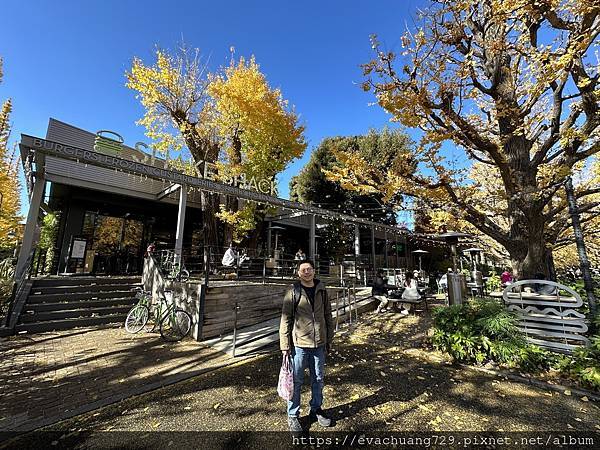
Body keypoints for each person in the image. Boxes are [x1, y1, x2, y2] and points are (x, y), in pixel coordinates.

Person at [280, 259, 334, 434]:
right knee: (296, 381)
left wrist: (329, 338)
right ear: (298, 273)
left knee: (318, 379)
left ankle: (316, 409)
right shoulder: (293, 291)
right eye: (303, 270)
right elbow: (286, 318)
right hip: (299, 345)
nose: (306, 272)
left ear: (314, 271)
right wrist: (284, 344)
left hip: (319, 344)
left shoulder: (322, 290)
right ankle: (293, 415)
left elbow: (328, 315)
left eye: (309, 269)